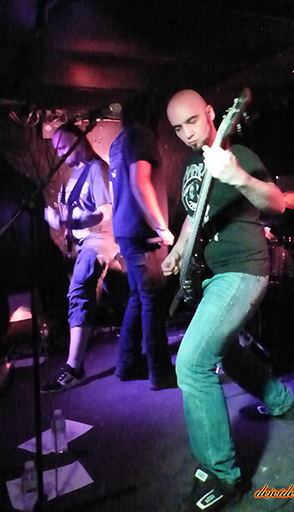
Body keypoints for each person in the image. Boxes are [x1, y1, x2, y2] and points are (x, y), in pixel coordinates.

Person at [162, 89, 294, 511]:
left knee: (191, 363)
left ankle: (222, 475)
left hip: (243, 270)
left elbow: (277, 203)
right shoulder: (191, 167)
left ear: (210, 113)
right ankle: (282, 402)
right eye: (177, 128)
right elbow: (194, 215)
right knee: (226, 354)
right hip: (213, 276)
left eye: (192, 121)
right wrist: (178, 251)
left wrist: (237, 175)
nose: (187, 133)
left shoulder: (236, 153)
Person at [42, 121, 117, 392]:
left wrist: (72, 220)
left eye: (63, 146)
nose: (60, 153)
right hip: (83, 243)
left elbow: (105, 212)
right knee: (84, 294)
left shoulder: (96, 169)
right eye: (56, 148)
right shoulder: (75, 173)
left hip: (99, 240)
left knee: (79, 288)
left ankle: (73, 368)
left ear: (79, 140)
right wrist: (58, 218)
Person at [108, 93, 176, 389]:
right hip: (144, 232)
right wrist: (162, 227)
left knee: (138, 297)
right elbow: (140, 181)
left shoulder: (119, 141)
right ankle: (160, 372)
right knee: (153, 301)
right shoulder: (142, 136)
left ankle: (127, 364)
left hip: (126, 230)